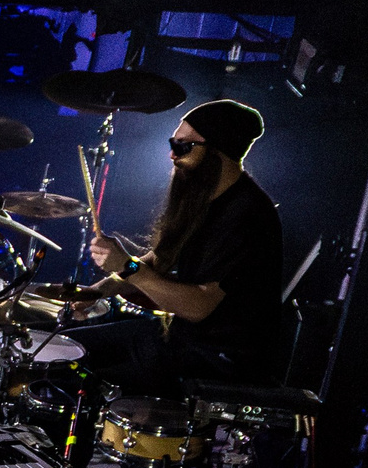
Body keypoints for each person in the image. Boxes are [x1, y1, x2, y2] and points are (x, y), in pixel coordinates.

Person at [76, 99, 287, 391]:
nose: (172, 155)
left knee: (83, 377)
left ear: (218, 151)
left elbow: (199, 305)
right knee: (71, 345)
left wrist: (126, 266)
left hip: (219, 361)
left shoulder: (247, 216)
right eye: (173, 143)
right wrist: (99, 290)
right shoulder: (202, 198)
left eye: (183, 146)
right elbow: (158, 259)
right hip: (183, 342)